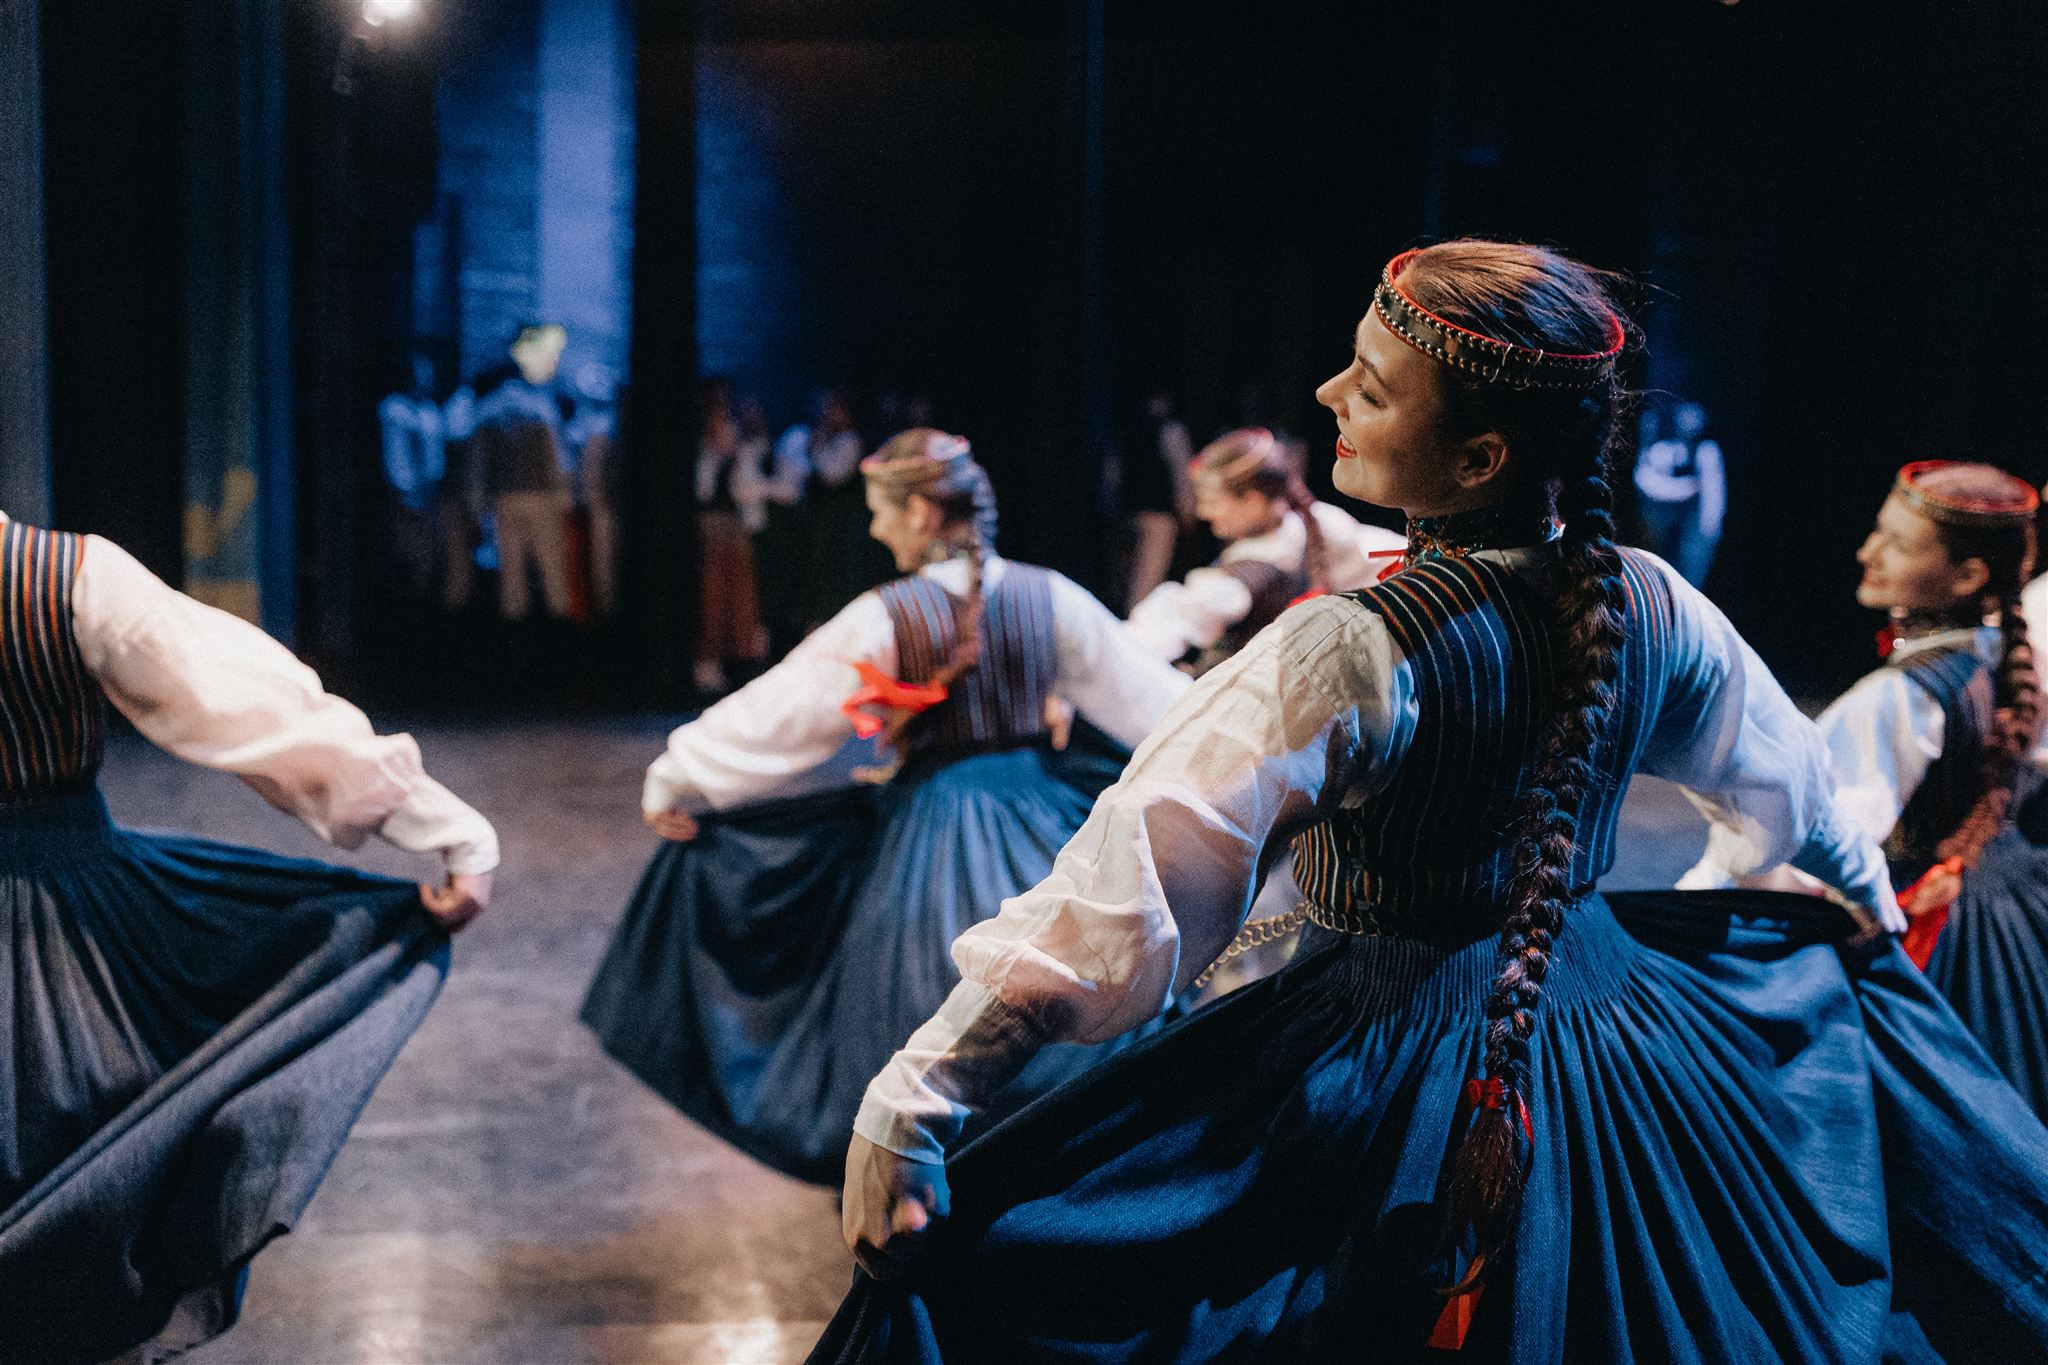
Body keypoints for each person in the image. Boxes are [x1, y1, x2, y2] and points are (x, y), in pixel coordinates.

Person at [817, 242, 2048, 1362]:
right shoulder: (1653, 602)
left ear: (1477, 459)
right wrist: (1868, 921)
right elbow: (1799, 795)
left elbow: (1129, 881)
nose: (1325, 396)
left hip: (1378, 1047)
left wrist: (920, 1092)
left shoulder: (1348, 652)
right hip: (1619, 1037)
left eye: (1368, 385)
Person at [581, 429, 1188, 1183]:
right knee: (1069, 983)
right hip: (1048, 823)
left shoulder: (888, 614)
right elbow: (1156, 702)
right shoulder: (1051, 597)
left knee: (920, 997)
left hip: (936, 824)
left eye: (882, 512)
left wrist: (678, 775)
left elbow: (786, 711)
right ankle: (1056, 1164)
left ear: (923, 514)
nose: (875, 529)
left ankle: (922, 1171)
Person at [0, 512, 498, 1364]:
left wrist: (442, 823)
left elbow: (251, 708)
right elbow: (252, 709)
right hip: (62, 941)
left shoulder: (61, 580)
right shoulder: (57, 577)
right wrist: (448, 829)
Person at [1734, 462, 2048, 1121]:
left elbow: (1819, 843)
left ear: (1967, 576)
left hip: (1931, 926)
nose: (1866, 552)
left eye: (1898, 544)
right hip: (2009, 910)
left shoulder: (1897, 698)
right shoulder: (2005, 655)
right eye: (1878, 532)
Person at [1125, 426, 1404, 676]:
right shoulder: (1311, 521)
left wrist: (1128, 647)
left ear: (1253, 501)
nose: (1203, 513)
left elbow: (1192, 611)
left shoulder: (1270, 557)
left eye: (1213, 501)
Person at [474, 323, 573, 621]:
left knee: (512, 569)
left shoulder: (487, 409)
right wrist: (563, 496)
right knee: (551, 563)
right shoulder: (540, 407)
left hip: (505, 497)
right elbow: (557, 458)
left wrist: (480, 500)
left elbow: (480, 462)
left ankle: (515, 626)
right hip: (540, 495)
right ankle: (559, 621)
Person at [694, 386, 769, 695]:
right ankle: (708, 663)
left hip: (734, 528)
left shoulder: (742, 451)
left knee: (737, 595)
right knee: (711, 594)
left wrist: (736, 456)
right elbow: (703, 491)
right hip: (711, 527)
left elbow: (747, 491)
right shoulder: (704, 454)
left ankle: (738, 662)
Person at [1116, 389, 1197, 611]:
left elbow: (1112, 476)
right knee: (1145, 587)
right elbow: (1182, 475)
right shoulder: (1171, 430)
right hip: (1159, 518)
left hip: (1132, 515)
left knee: (1131, 583)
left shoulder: (1127, 429)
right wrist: (1188, 512)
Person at [1632, 399, 1725, 588]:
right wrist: (1687, 488)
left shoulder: (1706, 452)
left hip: (1695, 534)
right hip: (1659, 534)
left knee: (1689, 581)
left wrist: (1709, 530)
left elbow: (1713, 499)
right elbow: (1648, 484)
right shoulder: (1662, 452)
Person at [377, 350, 446, 599]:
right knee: (406, 546)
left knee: (429, 548)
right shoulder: (394, 407)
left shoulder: (430, 410)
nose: (424, 380)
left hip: (431, 491)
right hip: (403, 489)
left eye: (428, 375)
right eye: (420, 374)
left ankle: (424, 595)